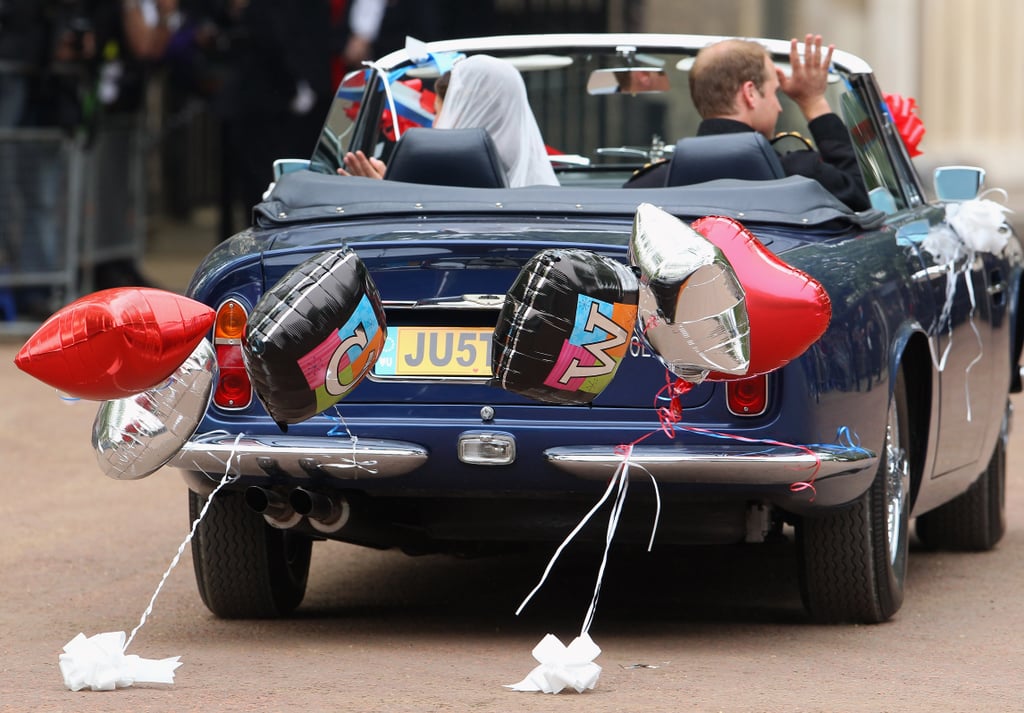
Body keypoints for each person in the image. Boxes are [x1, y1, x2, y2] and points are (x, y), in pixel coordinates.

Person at [688, 34, 870, 211]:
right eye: (774, 92)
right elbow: (866, 196)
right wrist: (813, 103)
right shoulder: (800, 175)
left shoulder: (662, 178)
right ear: (750, 94)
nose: (779, 107)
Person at [339, 54, 558, 187]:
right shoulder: (545, 188)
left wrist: (391, 199)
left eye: (438, 113)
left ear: (462, 115)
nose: (434, 123)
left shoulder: (434, 192)